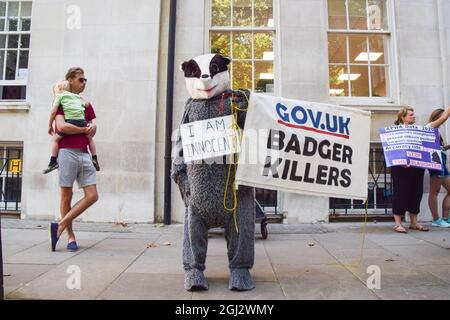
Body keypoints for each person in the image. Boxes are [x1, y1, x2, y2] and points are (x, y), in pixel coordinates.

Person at [48, 67, 99, 252]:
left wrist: (92, 128)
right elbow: (61, 127)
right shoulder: (61, 100)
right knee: (66, 195)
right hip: (66, 151)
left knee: (92, 196)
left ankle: (59, 225)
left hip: (84, 152)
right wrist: (82, 129)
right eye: (80, 79)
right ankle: (70, 236)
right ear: (70, 80)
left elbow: (92, 126)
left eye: (85, 80)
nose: (84, 83)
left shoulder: (85, 104)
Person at [391, 106, 450, 233]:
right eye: (411, 115)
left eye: (413, 114)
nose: (414, 116)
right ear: (403, 117)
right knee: (401, 193)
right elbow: (392, 149)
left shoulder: (419, 130)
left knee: (416, 193)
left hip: (417, 166)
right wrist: (402, 160)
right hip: (401, 168)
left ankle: (414, 222)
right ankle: (397, 223)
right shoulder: (395, 131)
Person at [43, 78, 100, 174]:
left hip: (71, 122)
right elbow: (86, 105)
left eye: (55, 91)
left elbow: (54, 113)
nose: (55, 94)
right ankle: (94, 157)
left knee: (54, 139)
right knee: (89, 138)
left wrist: (49, 125)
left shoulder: (60, 97)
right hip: (82, 121)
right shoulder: (78, 98)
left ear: (60, 89)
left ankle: (52, 161)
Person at [427, 109, 450, 228]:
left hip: (442, 163)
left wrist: (448, 146)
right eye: (441, 117)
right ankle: (436, 219)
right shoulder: (429, 126)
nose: (444, 119)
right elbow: (445, 117)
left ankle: (445, 218)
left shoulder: (437, 131)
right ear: (437, 117)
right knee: (434, 192)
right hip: (435, 163)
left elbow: (441, 149)